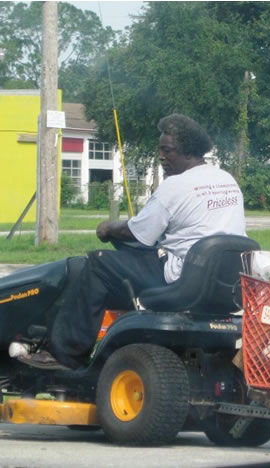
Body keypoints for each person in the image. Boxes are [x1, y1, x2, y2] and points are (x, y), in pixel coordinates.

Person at [19, 114, 246, 369]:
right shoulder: (226, 180)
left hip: (183, 278)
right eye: (160, 149)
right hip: (224, 284)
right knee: (127, 268)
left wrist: (108, 228)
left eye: (168, 151)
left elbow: (138, 233)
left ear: (189, 152)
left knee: (97, 264)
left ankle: (64, 354)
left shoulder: (175, 186)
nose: (162, 157)